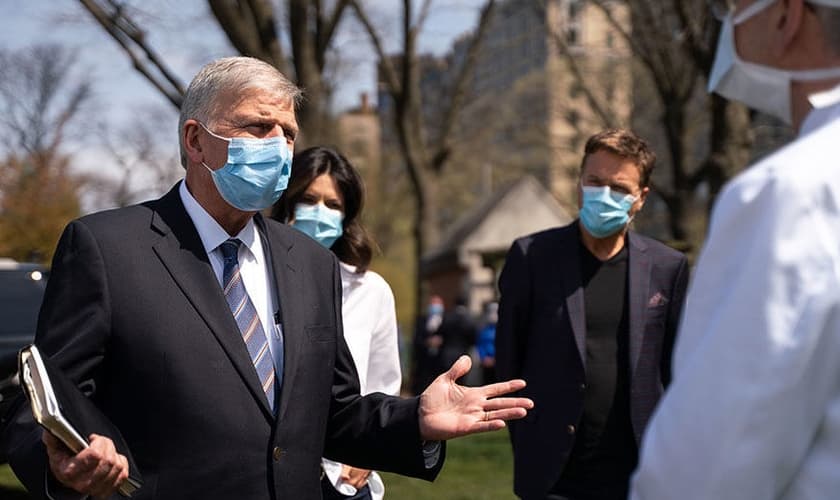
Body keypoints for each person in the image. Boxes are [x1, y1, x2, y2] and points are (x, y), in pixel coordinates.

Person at [0, 56, 533, 500]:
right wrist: (61, 466)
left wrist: (415, 418)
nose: (278, 145)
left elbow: (334, 413)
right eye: (258, 126)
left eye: (288, 133)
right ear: (196, 139)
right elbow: (41, 399)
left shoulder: (311, 262)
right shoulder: (108, 247)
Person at [631, 1, 840, 499]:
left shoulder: (793, 193)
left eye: (731, 8)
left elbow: (706, 467)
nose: (725, 24)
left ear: (788, 17)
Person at [496, 128, 689, 500]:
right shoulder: (532, 257)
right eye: (594, 182)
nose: (604, 195)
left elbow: (676, 367)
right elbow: (509, 360)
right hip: (554, 469)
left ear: (640, 198)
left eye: (618, 188)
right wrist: (527, 437)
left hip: (638, 466)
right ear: (580, 182)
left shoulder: (668, 267)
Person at [271, 146, 400, 500]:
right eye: (309, 199)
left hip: (342, 477)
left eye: (333, 205)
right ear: (286, 202)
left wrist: (371, 449)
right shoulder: (255, 276)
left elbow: (382, 381)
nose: (319, 213)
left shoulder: (370, 290)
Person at [410, 295, 445, 395]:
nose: (435, 306)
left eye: (437, 304)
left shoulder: (446, 320)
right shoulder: (422, 320)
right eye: (433, 304)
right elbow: (417, 339)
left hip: (439, 361)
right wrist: (427, 342)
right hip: (424, 361)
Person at [476, 302, 498, 385]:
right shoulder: (483, 329)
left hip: (497, 363)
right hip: (486, 363)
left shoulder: (502, 330)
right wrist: (483, 358)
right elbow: (480, 345)